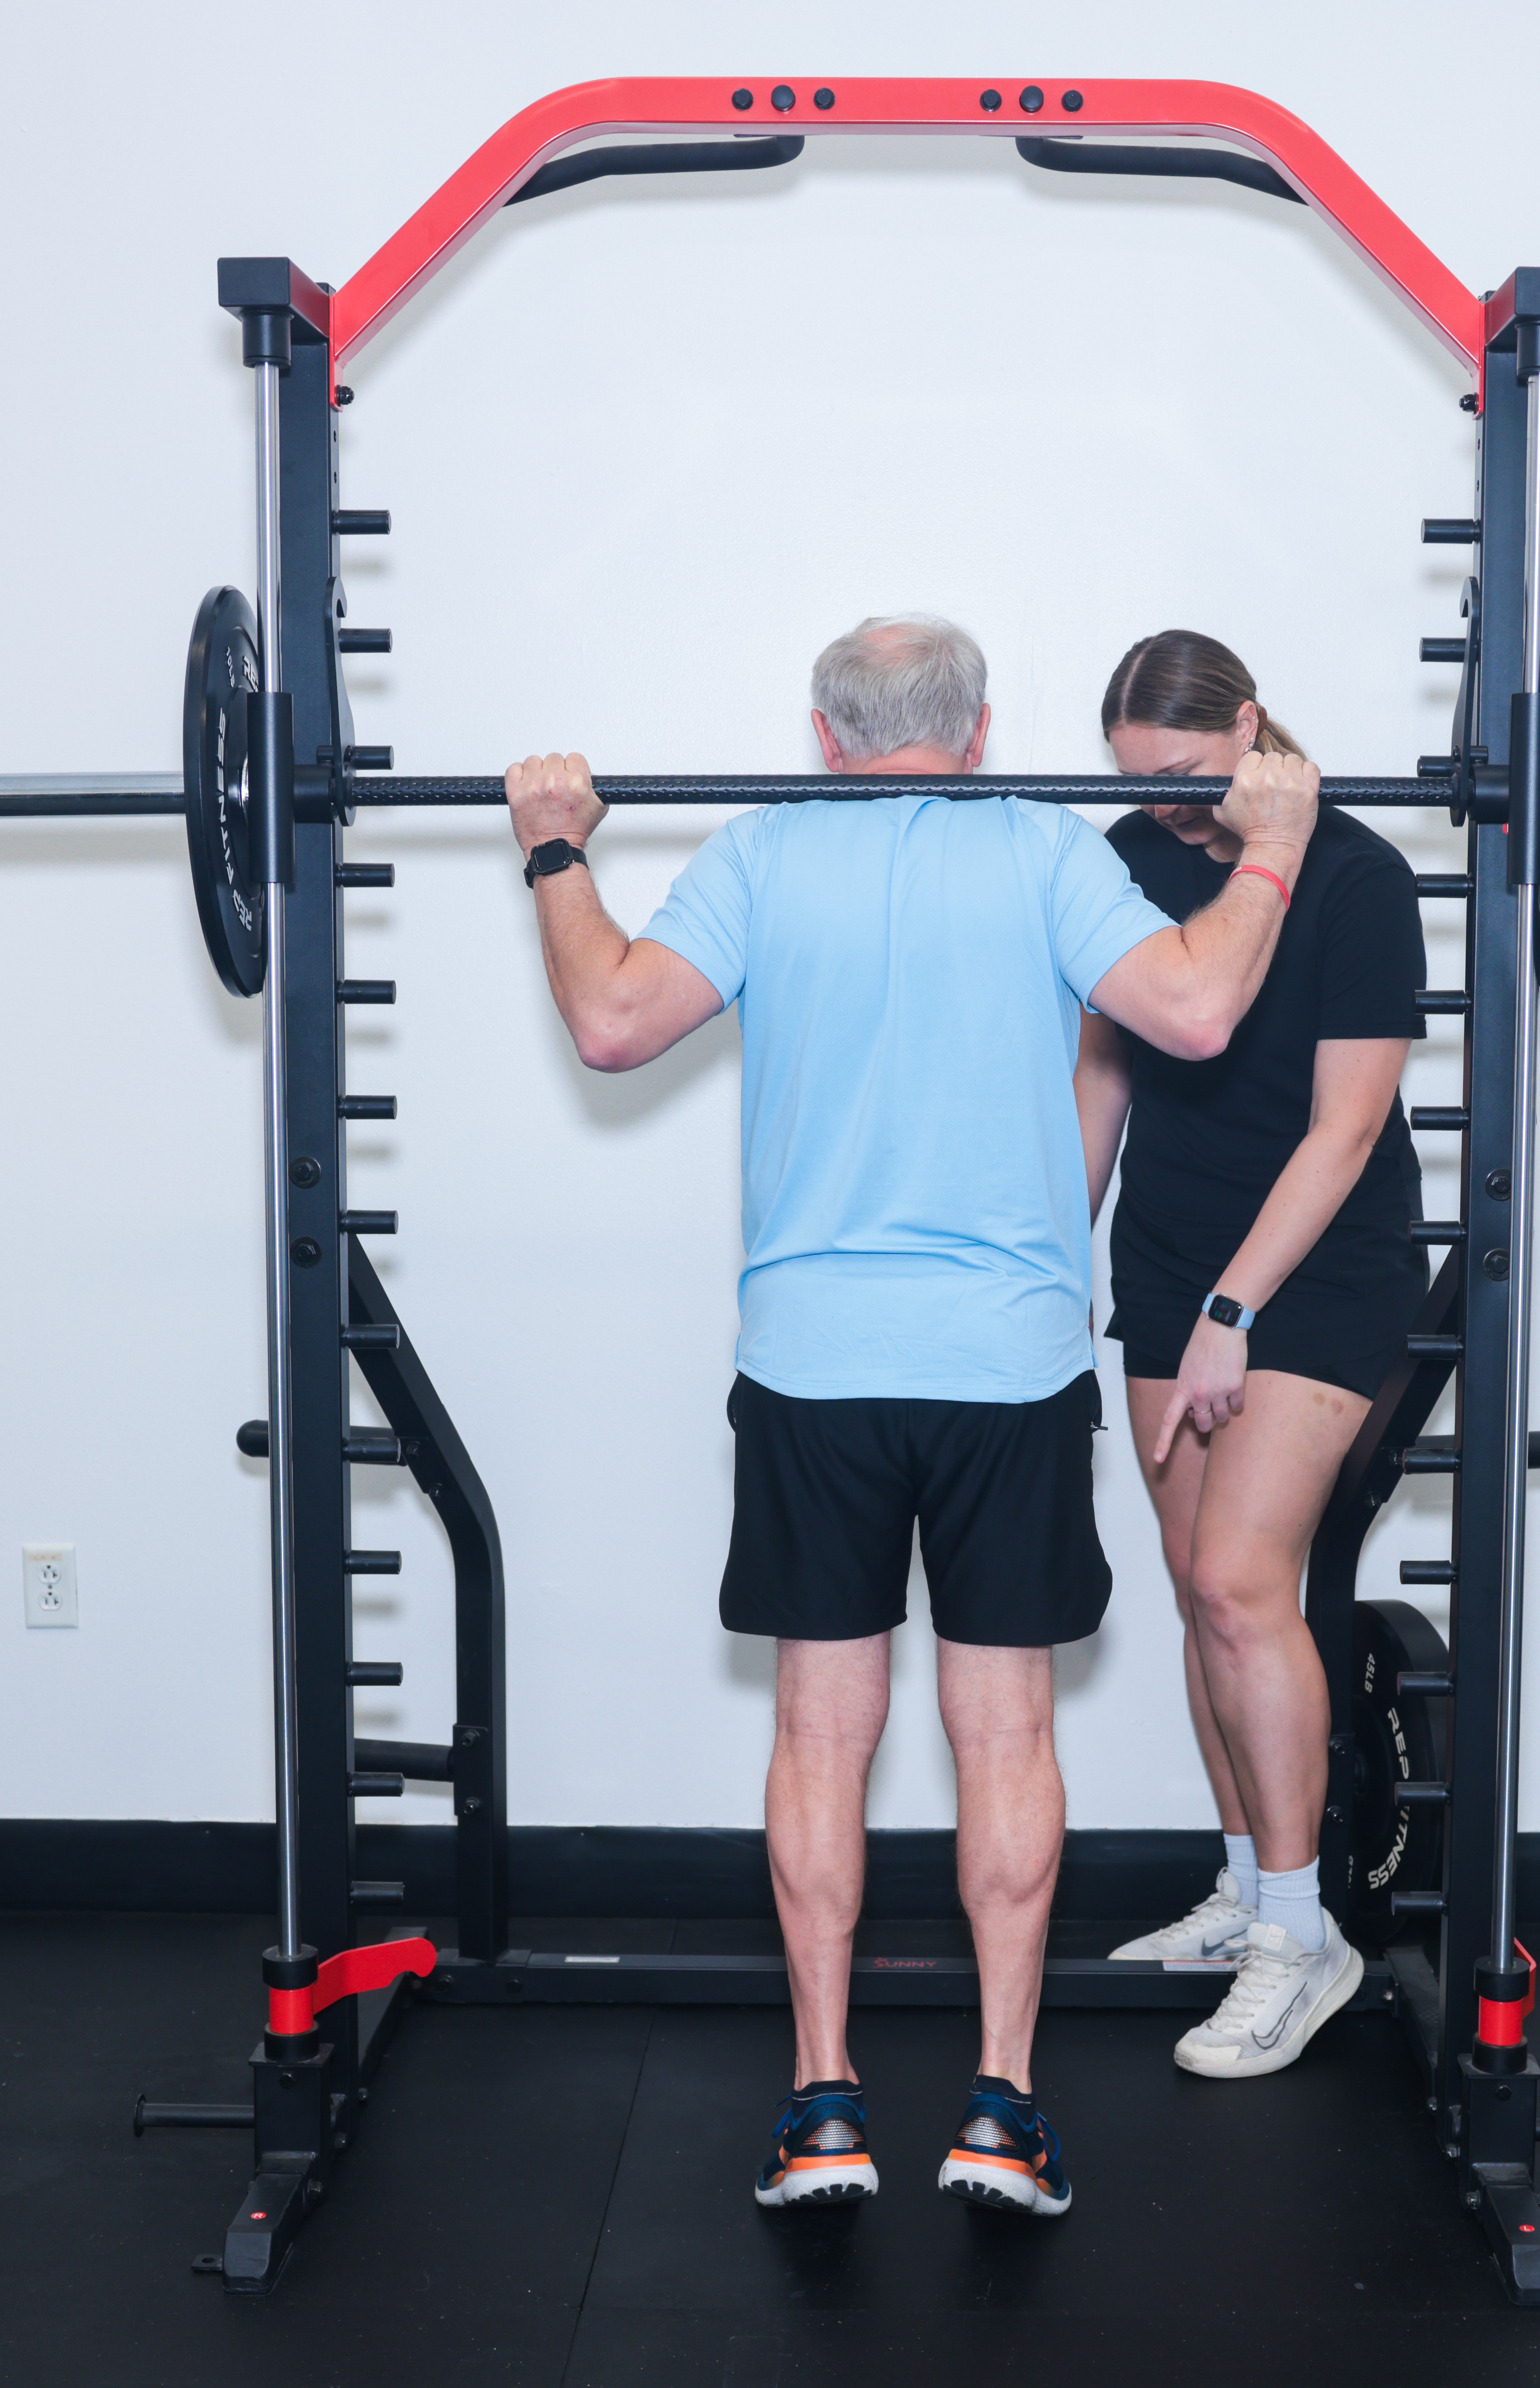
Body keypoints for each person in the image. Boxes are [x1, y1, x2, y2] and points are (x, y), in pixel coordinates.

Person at [503, 613, 1323, 2219]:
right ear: (983, 727)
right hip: (1005, 1372)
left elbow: (611, 1023)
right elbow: (1197, 1008)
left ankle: (823, 2107)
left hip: (814, 1367)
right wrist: (1275, 848)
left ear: (823, 736)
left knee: (821, 1732)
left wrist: (553, 851)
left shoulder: (758, 858)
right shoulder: (1038, 853)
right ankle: (1003, 2112)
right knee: (1004, 1732)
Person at [1076, 630, 1428, 2081]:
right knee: (1193, 1589)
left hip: (1320, 1266)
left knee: (1240, 1581)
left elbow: (1347, 1131)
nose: (1164, 804)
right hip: (1165, 1255)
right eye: (1137, 782)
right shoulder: (1128, 855)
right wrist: (1052, 1260)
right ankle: (1245, 1890)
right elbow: (1104, 1066)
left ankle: (1306, 1935)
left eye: (1185, 775)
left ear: (1252, 725)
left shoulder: (1356, 876)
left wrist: (1237, 1312)